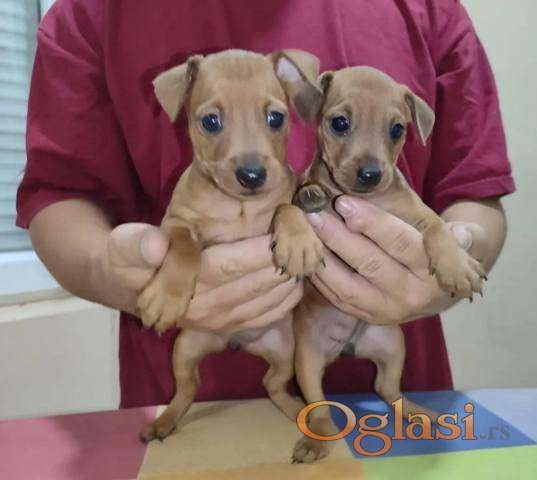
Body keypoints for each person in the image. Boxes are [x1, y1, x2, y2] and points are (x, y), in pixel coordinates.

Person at [17, 0, 514, 408]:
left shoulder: (429, 10)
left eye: (277, 119)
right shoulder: (91, 13)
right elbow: (59, 193)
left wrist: (458, 253)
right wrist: (107, 271)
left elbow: (475, 192)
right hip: (194, 402)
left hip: (393, 400)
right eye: (212, 122)